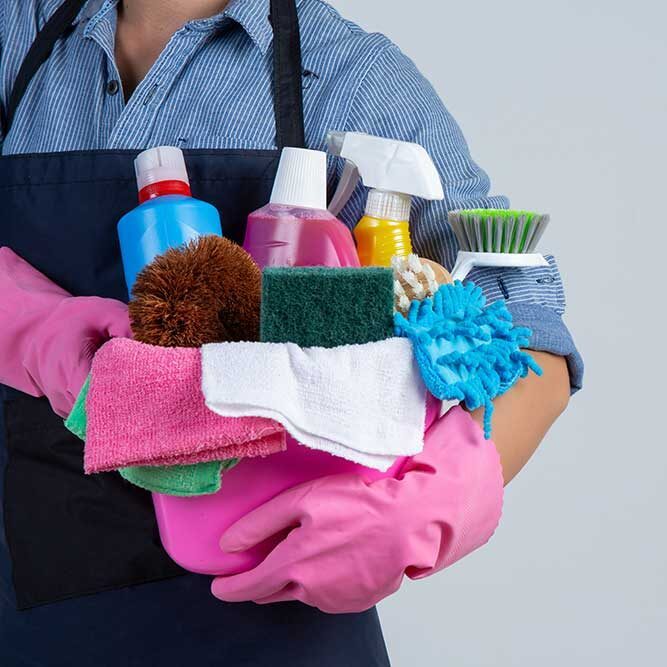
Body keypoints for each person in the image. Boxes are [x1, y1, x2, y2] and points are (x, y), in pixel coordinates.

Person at [0, 1, 583, 665]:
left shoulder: (349, 77)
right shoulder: (17, 34)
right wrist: (32, 325)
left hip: (272, 615)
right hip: (31, 604)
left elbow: (534, 341)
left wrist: (434, 499)